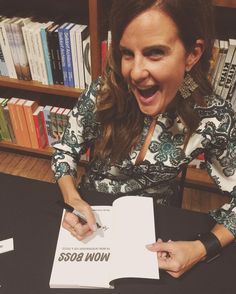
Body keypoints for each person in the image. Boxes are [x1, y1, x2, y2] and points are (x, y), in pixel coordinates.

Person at [51, 0, 236, 278]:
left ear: (192, 54)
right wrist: (73, 198)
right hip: (90, 213)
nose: (135, 73)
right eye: (127, 54)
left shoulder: (212, 117)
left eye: (155, 53)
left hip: (158, 229)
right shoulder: (105, 91)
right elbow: (65, 150)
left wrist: (202, 247)